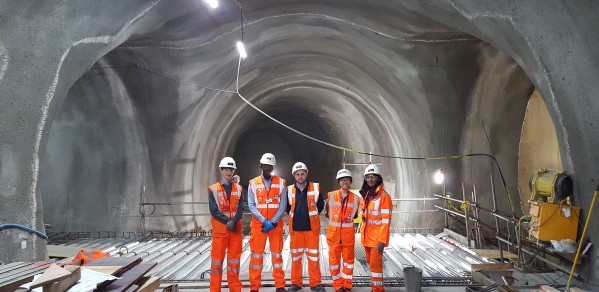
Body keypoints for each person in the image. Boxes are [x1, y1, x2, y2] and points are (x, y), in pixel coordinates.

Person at [247, 153, 288, 292]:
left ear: (273, 167)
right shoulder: (252, 183)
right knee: (256, 256)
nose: (267, 168)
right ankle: (254, 286)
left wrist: (273, 221)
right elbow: (251, 205)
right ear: (261, 166)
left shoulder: (282, 183)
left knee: (277, 255)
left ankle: (280, 285)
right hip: (259, 226)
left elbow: (282, 205)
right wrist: (264, 221)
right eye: (265, 165)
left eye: (270, 166)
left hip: (275, 226)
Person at [286, 162, 325, 292]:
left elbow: (320, 205)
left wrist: (312, 218)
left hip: (311, 230)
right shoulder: (289, 189)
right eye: (298, 174)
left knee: (313, 258)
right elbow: (287, 207)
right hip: (296, 230)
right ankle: (296, 283)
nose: (300, 176)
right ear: (294, 175)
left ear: (307, 174)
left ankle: (315, 284)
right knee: (296, 258)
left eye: (303, 173)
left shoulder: (315, 187)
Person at [207, 157, 244, 292]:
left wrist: (233, 222)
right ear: (221, 170)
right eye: (226, 169)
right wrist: (227, 221)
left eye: (231, 169)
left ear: (234, 171)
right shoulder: (213, 189)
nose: (229, 172)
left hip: (235, 231)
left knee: (234, 263)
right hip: (220, 231)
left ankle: (235, 289)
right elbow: (214, 210)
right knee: (217, 263)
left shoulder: (239, 189)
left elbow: (241, 208)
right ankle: (215, 290)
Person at [326, 169, 361, 292]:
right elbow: (328, 214)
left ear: (350, 181)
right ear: (338, 182)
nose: (345, 182)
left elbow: (355, 215)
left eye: (347, 179)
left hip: (347, 237)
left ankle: (347, 285)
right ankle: (338, 286)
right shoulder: (331, 196)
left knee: (348, 262)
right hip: (334, 236)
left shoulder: (357, 199)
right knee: (334, 262)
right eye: (342, 180)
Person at [359, 164, 392, 292]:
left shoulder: (384, 197)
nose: (370, 180)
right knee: (370, 263)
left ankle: (378, 289)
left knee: (375, 265)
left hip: (377, 239)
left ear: (378, 178)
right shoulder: (367, 195)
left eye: (373, 177)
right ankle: (375, 287)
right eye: (367, 177)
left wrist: (382, 240)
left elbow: (386, 221)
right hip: (367, 237)